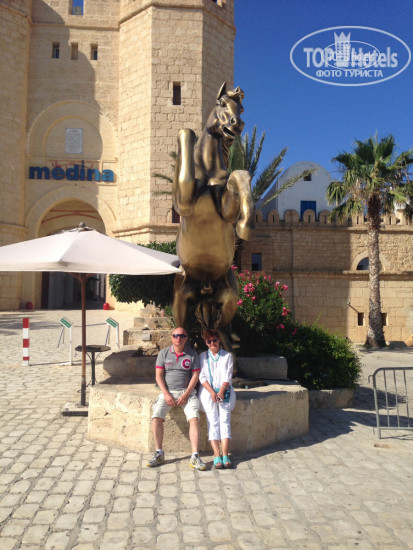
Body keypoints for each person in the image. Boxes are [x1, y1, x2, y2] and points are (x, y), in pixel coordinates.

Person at [147, 327, 206, 471]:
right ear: (171, 337)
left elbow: (195, 376)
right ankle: (159, 453)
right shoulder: (164, 353)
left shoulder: (192, 354)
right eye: (175, 335)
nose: (178, 338)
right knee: (156, 416)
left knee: (194, 418)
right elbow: (158, 376)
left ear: (186, 338)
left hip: (187, 393)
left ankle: (195, 456)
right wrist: (166, 394)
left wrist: (186, 394)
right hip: (168, 392)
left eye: (181, 336)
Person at [198, 329, 236, 469]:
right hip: (208, 393)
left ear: (219, 340)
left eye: (214, 340)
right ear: (206, 343)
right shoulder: (203, 356)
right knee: (212, 421)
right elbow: (202, 376)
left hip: (224, 392)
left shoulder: (227, 356)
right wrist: (211, 392)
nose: (212, 343)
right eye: (209, 341)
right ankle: (216, 454)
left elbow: (228, 375)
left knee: (225, 421)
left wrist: (221, 391)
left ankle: (225, 454)